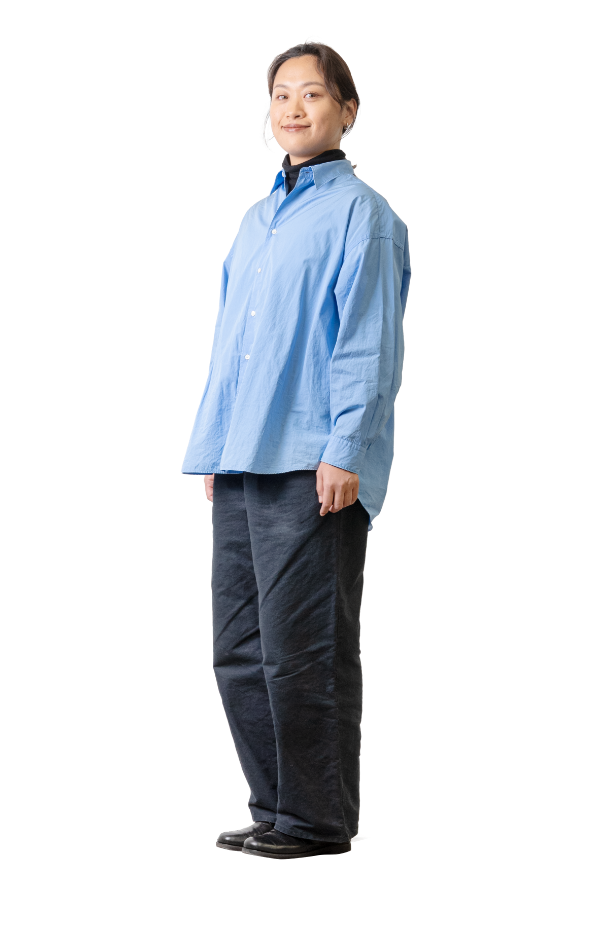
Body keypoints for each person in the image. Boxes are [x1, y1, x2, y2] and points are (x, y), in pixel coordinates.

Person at [181, 36, 411, 859]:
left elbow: (369, 343)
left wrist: (346, 448)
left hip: (312, 463)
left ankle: (319, 822)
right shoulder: (256, 219)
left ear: (347, 110)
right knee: (239, 650)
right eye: (281, 94)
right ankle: (276, 808)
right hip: (242, 460)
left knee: (304, 650)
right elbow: (229, 345)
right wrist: (214, 448)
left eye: (311, 93)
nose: (292, 108)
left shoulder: (364, 215)